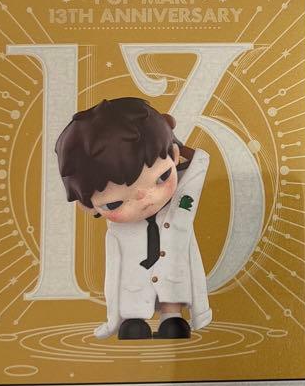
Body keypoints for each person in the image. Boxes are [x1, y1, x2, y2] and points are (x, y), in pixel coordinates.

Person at [54, 97, 212, 340]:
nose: (146, 199)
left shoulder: (181, 208)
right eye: (115, 203)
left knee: (173, 305)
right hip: (132, 294)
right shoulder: (118, 233)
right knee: (134, 315)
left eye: (162, 178)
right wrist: (113, 319)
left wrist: (169, 138)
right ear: (87, 206)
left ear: (174, 155)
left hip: (174, 286)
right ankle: (134, 320)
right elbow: (113, 273)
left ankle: (171, 316)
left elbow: (197, 168)